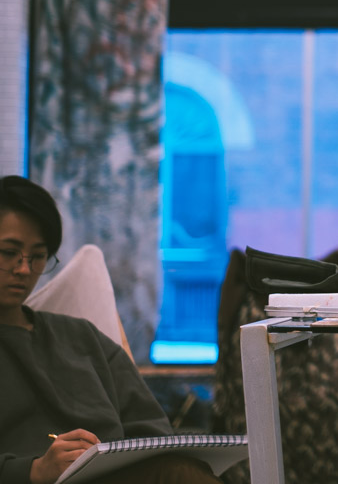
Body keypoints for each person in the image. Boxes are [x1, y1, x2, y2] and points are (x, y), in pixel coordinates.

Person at [0, 175, 223, 484]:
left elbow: (152, 432)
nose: (24, 269)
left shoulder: (82, 338)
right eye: (8, 253)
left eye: (37, 257)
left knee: (185, 471)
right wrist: (33, 470)